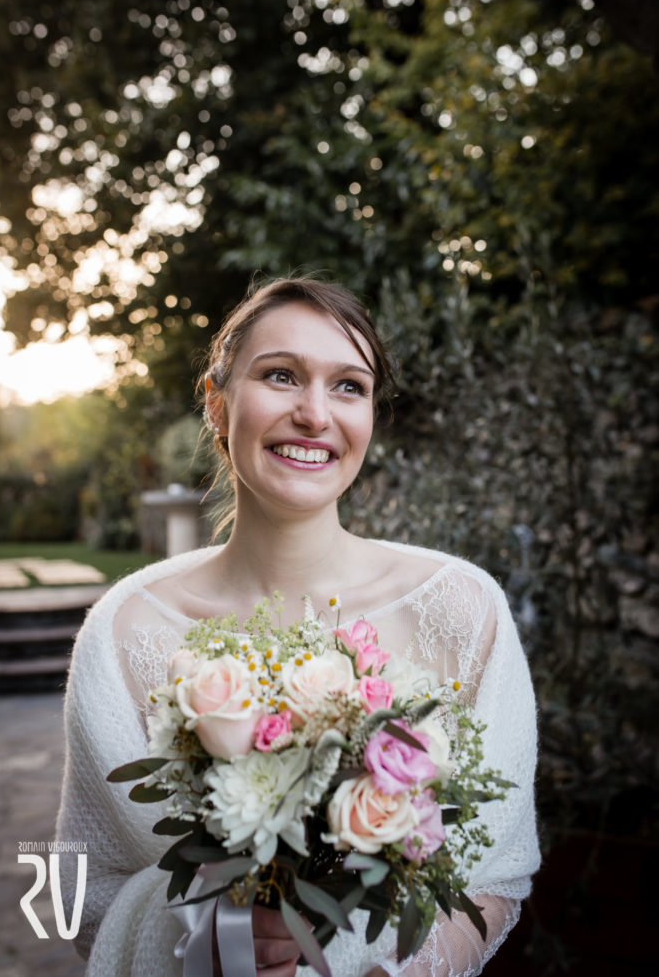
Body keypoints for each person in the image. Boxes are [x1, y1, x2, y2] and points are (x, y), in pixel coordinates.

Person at [56, 275, 540, 977]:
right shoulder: (124, 634)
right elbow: (87, 890)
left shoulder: (462, 610)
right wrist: (206, 933)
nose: (315, 414)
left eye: (348, 386)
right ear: (217, 404)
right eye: (281, 375)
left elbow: (496, 875)